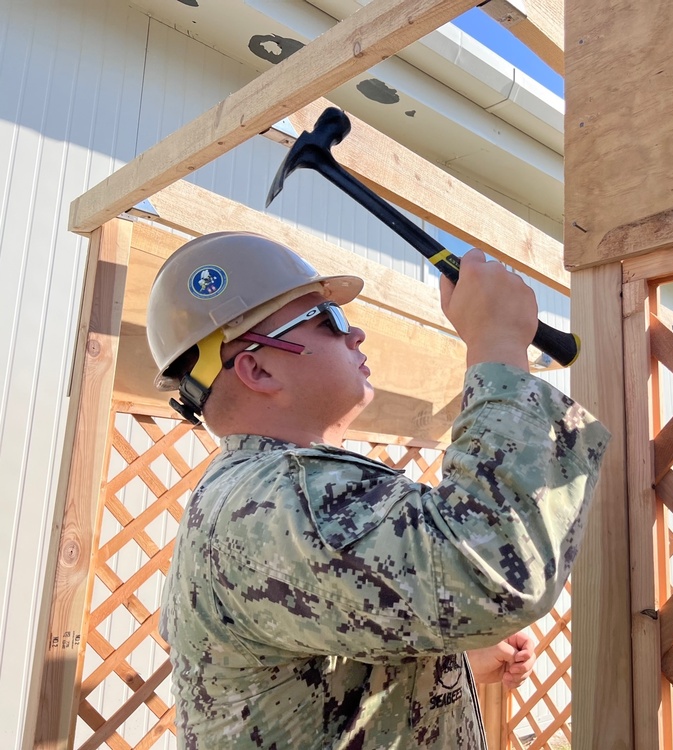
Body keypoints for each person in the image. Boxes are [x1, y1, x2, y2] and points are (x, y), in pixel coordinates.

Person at [146, 231, 610, 748]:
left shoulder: (259, 493)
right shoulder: (281, 497)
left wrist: (445, 651)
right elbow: (495, 575)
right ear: (258, 367)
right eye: (329, 321)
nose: (356, 333)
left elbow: (317, 662)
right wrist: (497, 344)